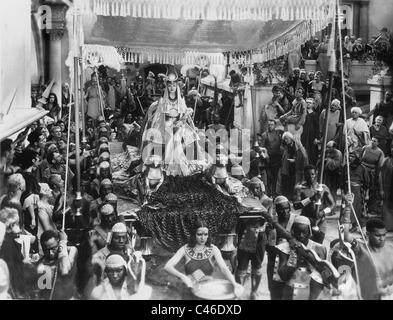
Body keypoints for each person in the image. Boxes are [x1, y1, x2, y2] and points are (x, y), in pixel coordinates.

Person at [141, 69, 205, 176]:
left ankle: (186, 165)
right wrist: (169, 126)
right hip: (166, 125)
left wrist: (183, 121)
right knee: (170, 139)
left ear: (177, 86)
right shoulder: (163, 101)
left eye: (174, 84)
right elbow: (160, 117)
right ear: (167, 86)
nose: (172, 87)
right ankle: (166, 166)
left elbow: (184, 115)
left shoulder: (181, 100)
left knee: (191, 136)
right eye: (169, 84)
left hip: (180, 126)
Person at [164, 219, 243, 299]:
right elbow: (167, 266)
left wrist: (234, 284)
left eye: (205, 234)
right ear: (194, 234)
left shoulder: (214, 249)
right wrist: (182, 276)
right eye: (199, 234)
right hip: (189, 292)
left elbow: (224, 268)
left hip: (207, 291)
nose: (203, 238)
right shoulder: (185, 249)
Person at [276, 215, 327, 300]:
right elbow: (283, 276)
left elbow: (324, 276)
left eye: (304, 232)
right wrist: (295, 256)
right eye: (297, 232)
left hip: (311, 293)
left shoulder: (319, 249)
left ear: (310, 232)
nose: (301, 235)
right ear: (292, 232)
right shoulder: (284, 248)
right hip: (290, 292)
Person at [343, 217, 393, 299]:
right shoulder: (361, 248)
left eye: (384, 235)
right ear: (368, 234)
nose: (382, 239)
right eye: (378, 235)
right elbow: (346, 235)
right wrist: (347, 209)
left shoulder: (390, 248)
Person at [264, 196, 296, 300]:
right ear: (276, 210)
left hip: (290, 261)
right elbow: (268, 247)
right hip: (274, 261)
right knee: (274, 291)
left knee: (288, 292)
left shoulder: (295, 220)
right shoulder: (271, 223)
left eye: (286, 208)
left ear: (290, 208)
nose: (284, 211)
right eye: (281, 209)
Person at [294, 165, 335, 244]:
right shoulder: (300, 188)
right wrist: (311, 198)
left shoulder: (323, 187)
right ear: (304, 175)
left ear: (316, 174)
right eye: (308, 174)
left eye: (312, 174)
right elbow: (296, 206)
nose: (310, 176)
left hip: (320, 222)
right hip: (306, 222)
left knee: (318, 246)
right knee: (306, 247)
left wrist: (323, 212)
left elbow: (333, 204)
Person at [35, 230, 78, 300]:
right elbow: (43, 293)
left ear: (58, 242)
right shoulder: (41, 264)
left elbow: (64, 269)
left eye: (53, 248)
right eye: (46, 250)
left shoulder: (71, 251)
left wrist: (63, 242)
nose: (50, 253)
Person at [361, 136, 384, 216]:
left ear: (378, 143)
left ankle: (368, 209)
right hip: (362, 170)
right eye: (372, 140)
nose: (372, 142)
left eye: (375, 141)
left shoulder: (380, 152)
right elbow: (360, 158)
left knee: (370, 190)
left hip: (372, 172)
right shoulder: (365, 148)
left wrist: (376, 175)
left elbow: (380, 166)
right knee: (361, 189)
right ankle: (361, 209)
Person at [260, 120, 282, 196]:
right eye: (269, 125)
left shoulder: (278, 133)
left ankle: (274, 194)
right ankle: (268, 194)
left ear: (275, 125)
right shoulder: (264, 135)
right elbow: (261, 148)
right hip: (268, 160)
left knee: (275, 178)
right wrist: (265, 156)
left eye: (272, 125)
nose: (270, 126)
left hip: (276, 159)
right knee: (269, 177)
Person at [301, 98, 320, 165]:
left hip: (311, 136)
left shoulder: (314, 114)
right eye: (307, 102)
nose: (308, 104)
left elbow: (317, 127)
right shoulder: (302, 113)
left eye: (310, 103)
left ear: (313, 105)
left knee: (311, 151)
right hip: (303, 134)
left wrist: (316, 137)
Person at [380, 142, 393, 231]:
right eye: (392, 147)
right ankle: (389, 225)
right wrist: (381, 189)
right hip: (387, 188)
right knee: (386, 207)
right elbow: (380, 176)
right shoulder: (386, 161)